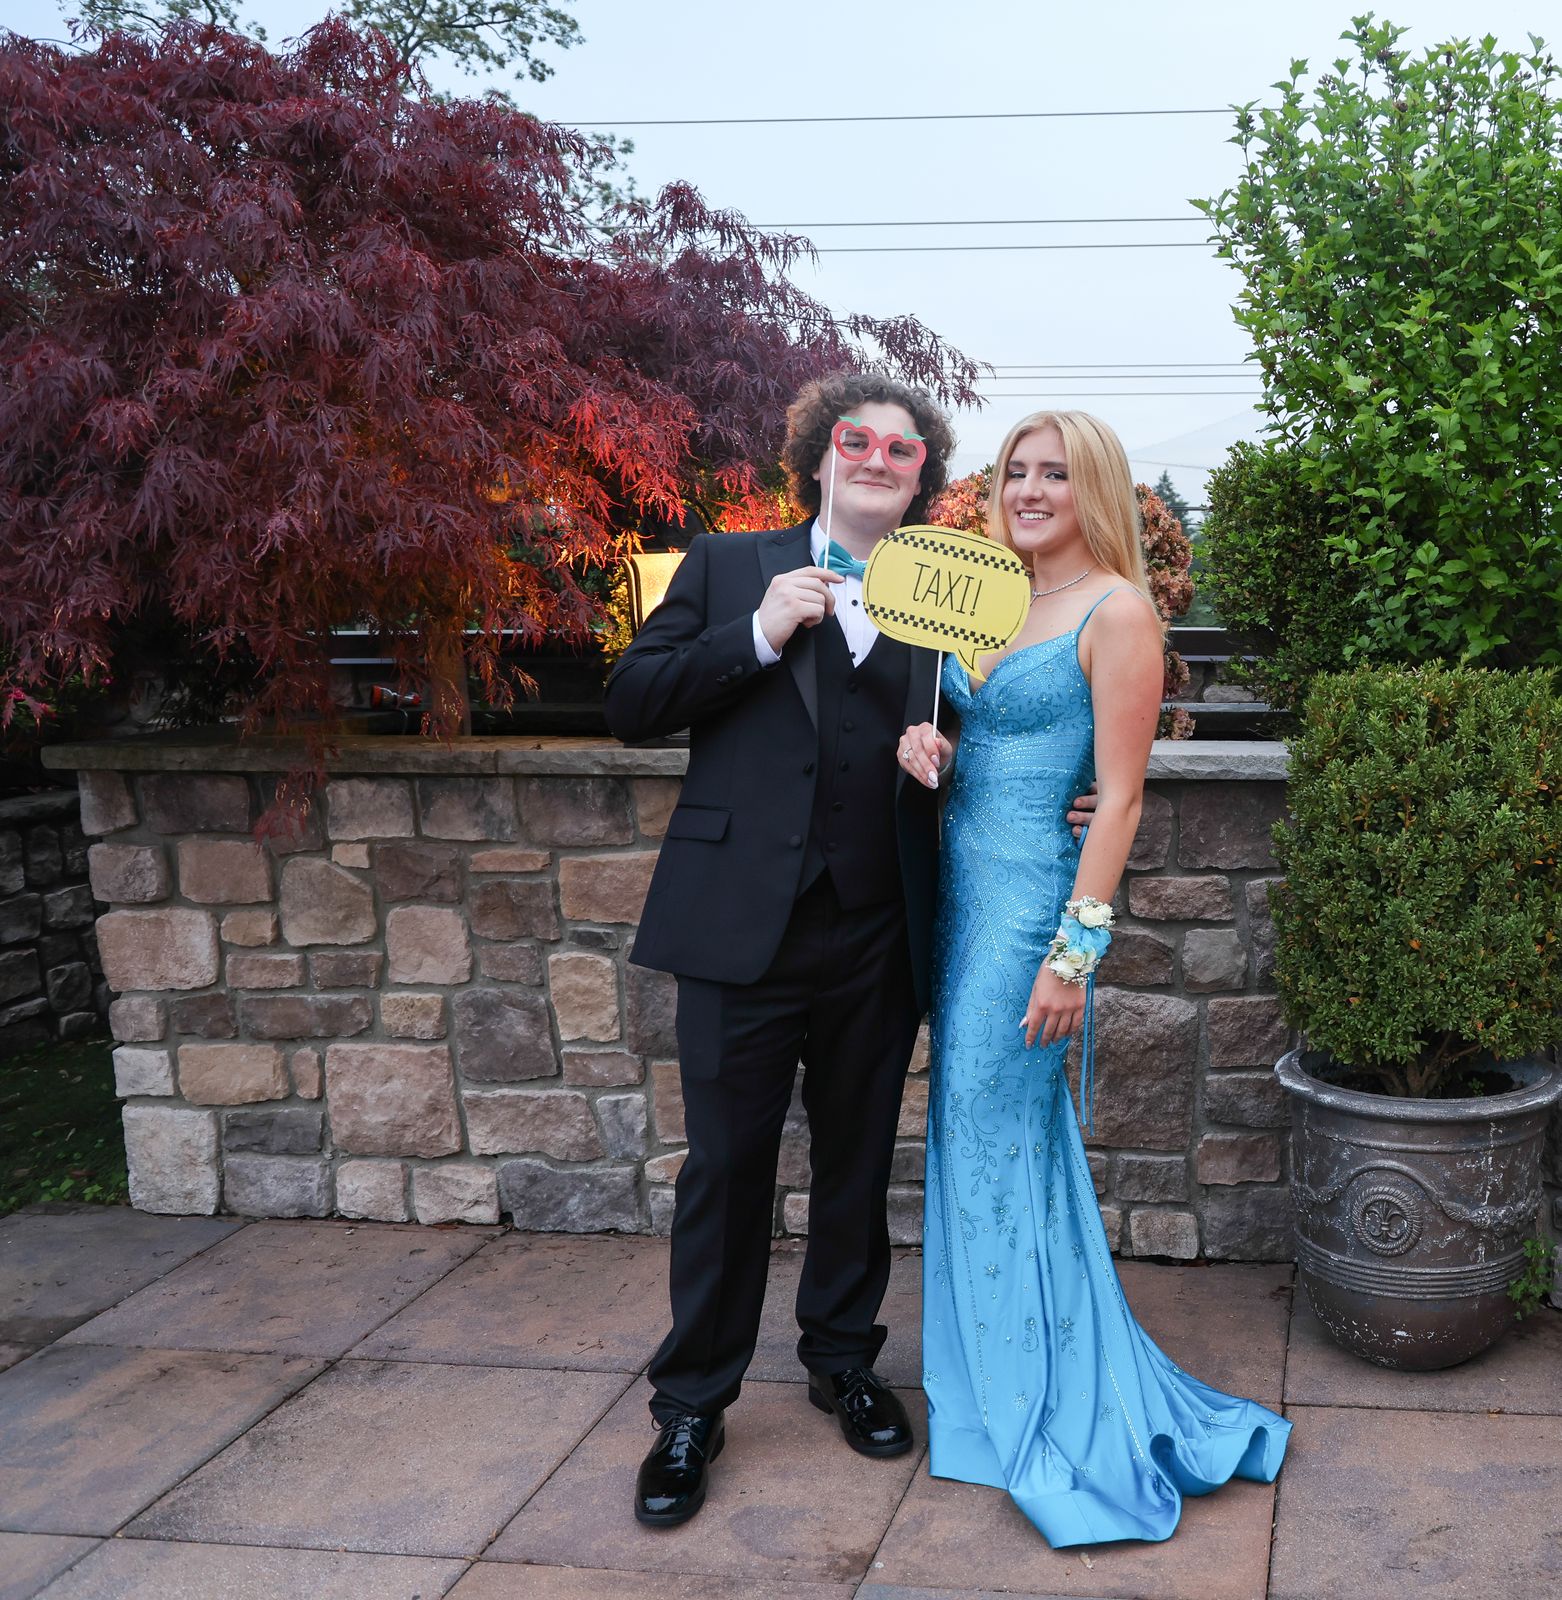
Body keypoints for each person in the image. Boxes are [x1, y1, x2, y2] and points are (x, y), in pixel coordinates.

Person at [898, 410, 1290, 1547]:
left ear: (1095, 489)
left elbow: (1116, 799)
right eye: (1016, 471)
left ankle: (1034, 1402)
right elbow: (969, 734)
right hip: (956, 905)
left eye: (1055, 475)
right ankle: (989, 1391)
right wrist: (933, 748)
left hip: (1027, 920)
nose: (1028, 490)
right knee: (980, 1141)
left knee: (994, 1135)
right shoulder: (990, 597)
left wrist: (1074, 960)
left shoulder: (1118, 610)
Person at [604, 371, 957, 1527]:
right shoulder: (723, 564)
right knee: (725, 1170)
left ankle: (841, 1359)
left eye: (901, 448)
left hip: (874, 928)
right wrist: (756, 633)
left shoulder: (937, 598)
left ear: (920, 474)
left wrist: (952, 759)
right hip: (735, 926)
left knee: (856, 1161)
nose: (876, 458)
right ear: (815, 455)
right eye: (856, 439)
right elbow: (632, 701)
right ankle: (690, 1406)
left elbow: (975, 728)